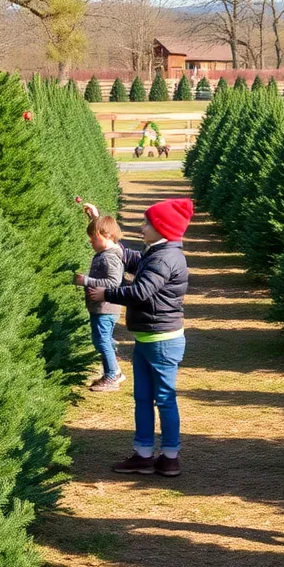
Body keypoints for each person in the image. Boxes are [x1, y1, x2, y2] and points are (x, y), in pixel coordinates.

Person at [88, 198, 193, 477]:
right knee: (143, 398)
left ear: (163, 228)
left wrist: (106, 293)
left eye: (148, 223)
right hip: (148, 338)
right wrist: (102, 227)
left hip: (162, 341)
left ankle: (170, 456)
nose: (142, 226)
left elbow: (139, 292)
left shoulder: (166, 258)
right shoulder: (157, 252)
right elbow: (133, 259)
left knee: (165, 398)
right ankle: (144, 454)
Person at [75, 215, 126, 392]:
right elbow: (103, 227)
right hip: (101, 307)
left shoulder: (109, 257)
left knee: (101, 340)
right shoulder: (106, 252)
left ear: (108, 236)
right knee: (104, 339)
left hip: (105, 307)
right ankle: (112, 370)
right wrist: (94, 217)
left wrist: (87, 281)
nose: (91, 243)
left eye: (94, 239)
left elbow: (114, 282)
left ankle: (113, 375)